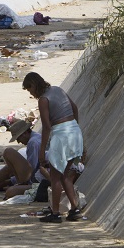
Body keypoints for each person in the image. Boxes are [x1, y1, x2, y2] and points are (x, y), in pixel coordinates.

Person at [22, 72, 84, 223]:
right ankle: (74, 209)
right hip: (75, 132)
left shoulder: (44, 100)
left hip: (61, 136)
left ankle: (55, 213)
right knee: (65, 175)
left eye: (30, 90)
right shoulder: (58, 89)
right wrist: (73, 126)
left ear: (34, 85)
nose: (31, 93)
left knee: (55, 177)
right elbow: (75, 109)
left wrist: (42, 151)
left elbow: (47, 127)